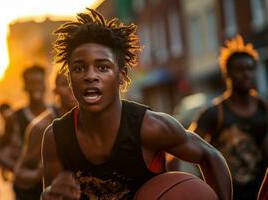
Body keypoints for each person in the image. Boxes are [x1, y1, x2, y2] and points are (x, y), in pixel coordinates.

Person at [41, 8, 232, 200]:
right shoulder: (56, 138)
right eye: (79, 68)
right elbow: (52, 195)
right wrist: (48, 195)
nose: (90, 76)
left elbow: (210, 156)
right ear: (69, 77)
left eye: (102, 67)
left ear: (122, 76)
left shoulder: (151, 127)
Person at [190, 35, 267, 200]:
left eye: (250, 68)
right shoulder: (213, 113)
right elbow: (185, 147)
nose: (246, 74)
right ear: (228, 73)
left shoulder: (264, 109)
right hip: (227, 195)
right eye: (240, 69)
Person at [13, 66, 77, 198]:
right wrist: (39, 173)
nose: (71, 88)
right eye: (65, 84)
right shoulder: (42, 126)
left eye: (75, 81)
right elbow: (19, 173)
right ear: (55, 90)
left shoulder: (97, 120)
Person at [0, 64, 48, 199]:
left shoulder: (55, 113)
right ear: (24, 86)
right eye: (31, 83)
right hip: (24, 187)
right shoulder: (14, 117)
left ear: (45, 85)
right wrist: (16, 168)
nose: (36, 87)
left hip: (50, 182)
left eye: (39, 82)